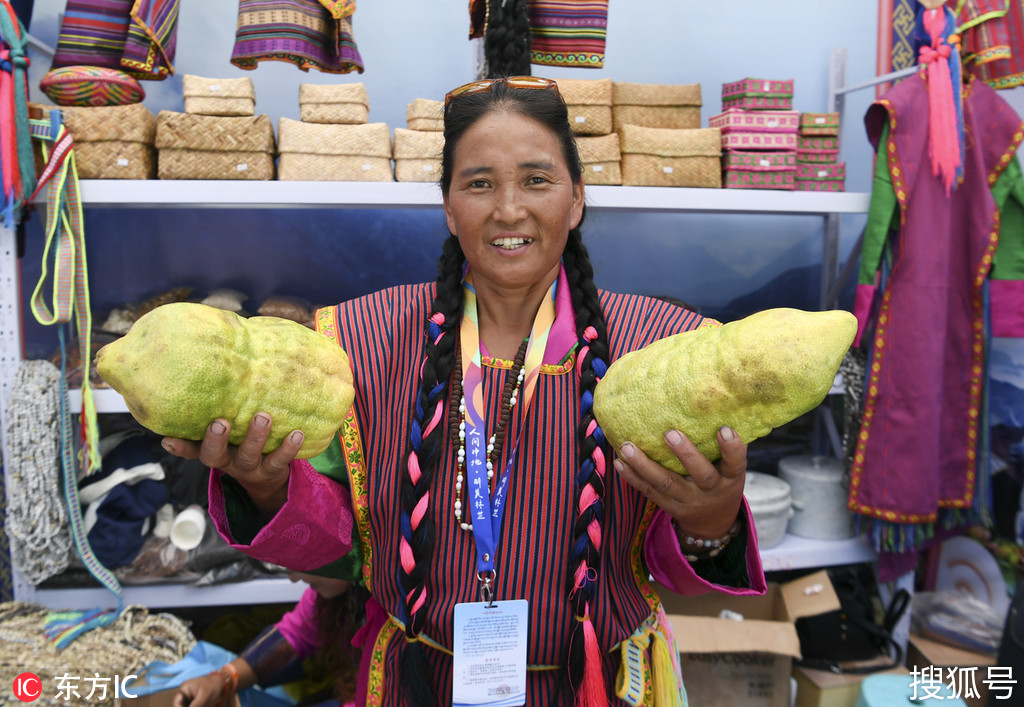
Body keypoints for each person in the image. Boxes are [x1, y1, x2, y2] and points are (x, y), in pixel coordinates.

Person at [162, 75, 767, 706]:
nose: (508, 209)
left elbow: (683, 580)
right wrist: (264, 486)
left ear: (578, 198)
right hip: (417, 686)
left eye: (537, 179)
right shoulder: (364, 342)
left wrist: (710, 519)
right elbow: (335, 558)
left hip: (598, 689)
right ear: (449, 207)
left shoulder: (656, 348)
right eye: (479, 183)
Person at [172, 569, 370, 707]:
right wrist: (223, 679)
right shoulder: (339, 597)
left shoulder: (393, 614)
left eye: (304, 553)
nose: (292, 577)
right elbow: (297, 633)